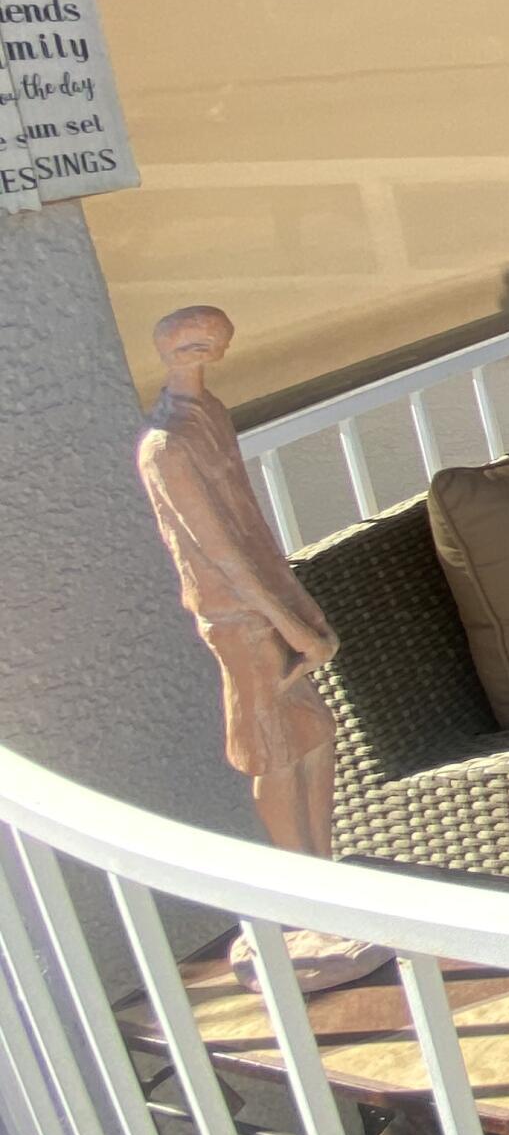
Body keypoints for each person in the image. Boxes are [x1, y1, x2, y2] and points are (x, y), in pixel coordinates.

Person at [135, 306, 342, 858]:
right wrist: (291, 627)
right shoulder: (165, 447)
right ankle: (298, 883)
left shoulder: (210, 412)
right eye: (191, 347)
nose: (204, 355)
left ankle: (323, 872)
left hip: (268, 601)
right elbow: (220, 550)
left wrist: (302, 610)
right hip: (236, 616)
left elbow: (250, 522)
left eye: (211, 344)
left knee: (315, 734)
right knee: (272, 749)